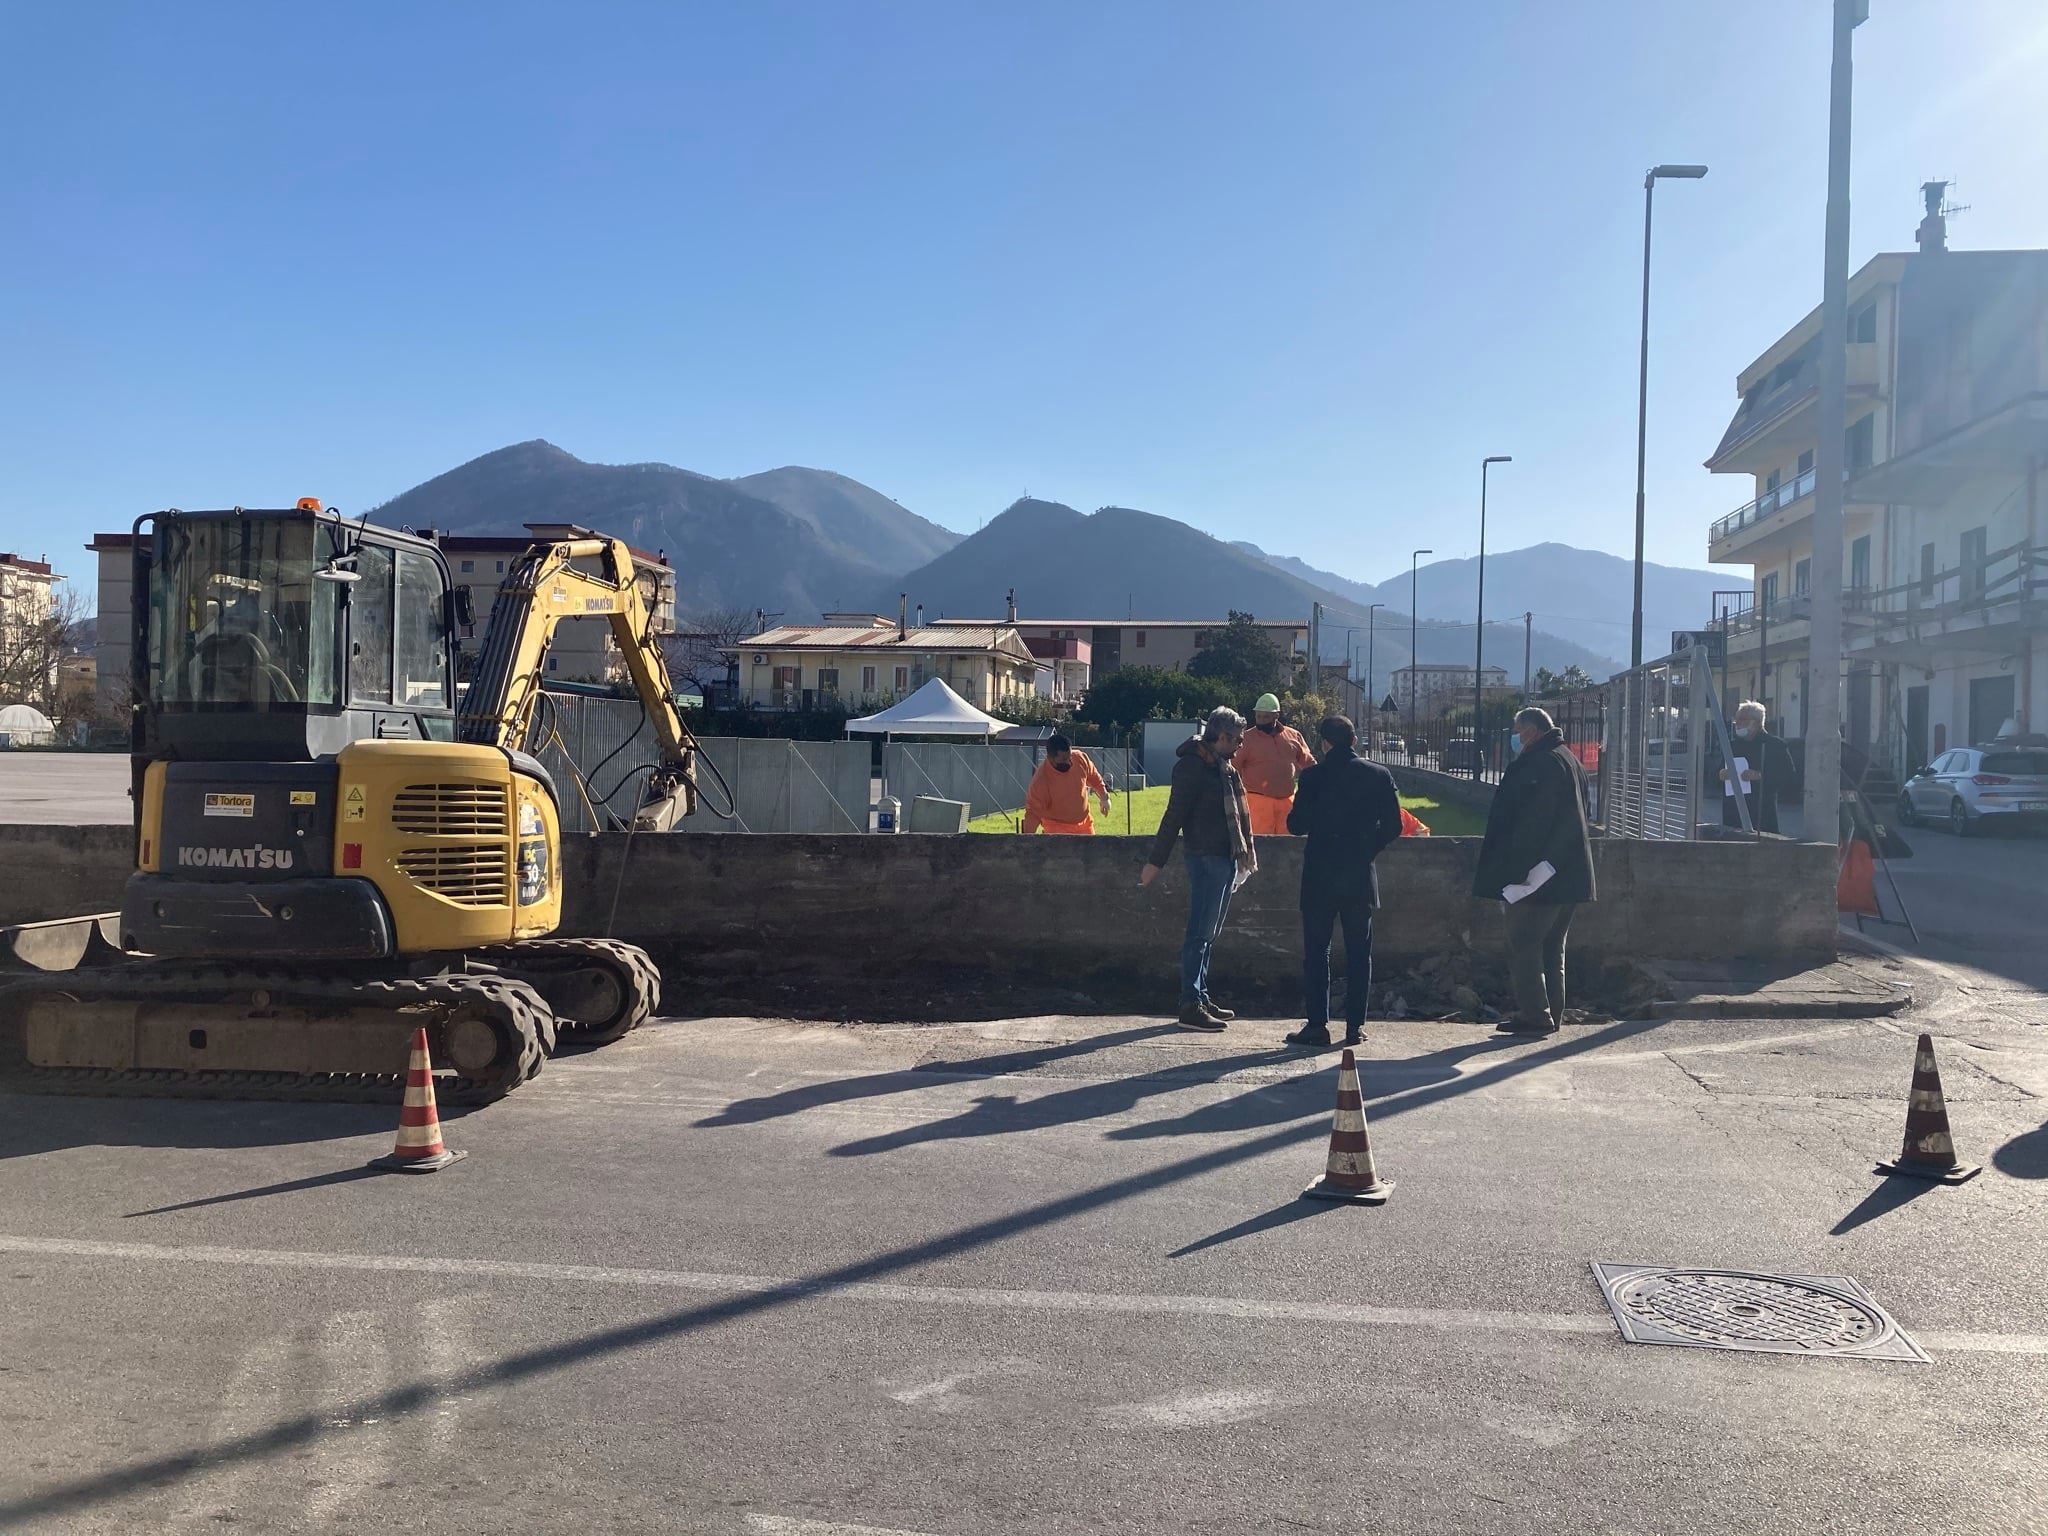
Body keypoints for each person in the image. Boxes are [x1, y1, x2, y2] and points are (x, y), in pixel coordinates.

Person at [1472, 706, 1596, 1034]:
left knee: (1523, 942)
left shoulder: (1539, 764)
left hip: (1539, 876)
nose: (1515, 739)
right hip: (1569, 873)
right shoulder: (1570, 760)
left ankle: (1535, 1014)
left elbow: (1531, 825)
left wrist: (1518, 874)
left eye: (1518, 732)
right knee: (1553, 946)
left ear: (1532, 731)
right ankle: (1552, 1012)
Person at [1282, 715, 1403, 1051]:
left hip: (1320, 874)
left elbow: (1296, 826)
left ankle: (1317, 1025)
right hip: (1359, 874)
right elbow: (1394, 826)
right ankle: (1354, 1027)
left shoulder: (1313, 777)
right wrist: (1366, 850)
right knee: (1359, 952)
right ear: (1354, 740)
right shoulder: (1378, 774)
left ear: (1324, 743)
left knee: (1317, 951)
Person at [1140, 708, 1257, 1031]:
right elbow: (1174, 816)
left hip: (1224, 858)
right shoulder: (1193, 767)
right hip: (1206, 858)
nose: (1241, 746)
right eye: (1238, 740)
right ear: (1222, 737)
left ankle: (1200, 996)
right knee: (1199, 934)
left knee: (1209, 934)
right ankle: (1190, 1004)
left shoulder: (1222, 767)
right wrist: (1155, 862)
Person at [1234, 692, 1316, 836]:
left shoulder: (1293, 736)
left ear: (1276, 716)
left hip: (1287, 803)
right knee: (1260, 845)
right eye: (1258, 716)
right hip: (1257, 803)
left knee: (1287, 845)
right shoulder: (1246, 738)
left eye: (1266, 717)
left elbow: (1310, 765)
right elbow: (1233, 768)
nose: (1261, 720)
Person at [1712, 700, 1794, 834]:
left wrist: (1759, 776)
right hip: (1732, 815)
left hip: (1762, 816)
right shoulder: (1731, 746)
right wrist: (1721, 774)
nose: (1737, 724)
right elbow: (1714, 776)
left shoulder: (1775, 746)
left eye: (1742, 720)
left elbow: (1789, 778)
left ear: (1756, 722)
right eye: (1736, 720)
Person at [1021, 733, 1111, 835]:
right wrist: (1026, 840)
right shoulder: (1041, 780)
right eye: (1064, 759)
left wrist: (1104, 797)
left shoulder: (1079, 758)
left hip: (1085, 824)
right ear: (1050, 758)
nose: (1069, 762)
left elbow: (1094, 777)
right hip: (1055, 828)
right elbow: (1033, 813)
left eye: (1069, 757)